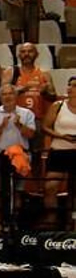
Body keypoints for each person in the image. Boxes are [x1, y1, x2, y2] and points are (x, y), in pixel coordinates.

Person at [0, 83, 38, 231]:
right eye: (4, 94)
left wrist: (19, 124)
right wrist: (2, 126)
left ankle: (14, 222)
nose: (7, 97)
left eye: (10, 94)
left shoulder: (26, 113)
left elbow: (31, 134)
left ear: (16, 96)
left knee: (17, 191)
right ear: (0, 97)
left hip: (20, 157)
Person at [41, 77, 76, 216]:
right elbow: (45, 127)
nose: (70, 88)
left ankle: (71, 221)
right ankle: (51, 219)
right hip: (59, 151)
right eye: (69, 85)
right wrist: (61, 136)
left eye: (74, 86)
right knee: (50, 186)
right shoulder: (58, 105)